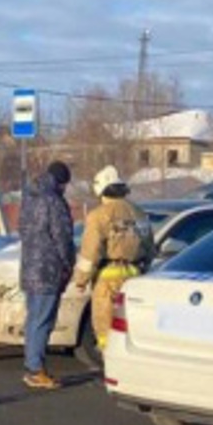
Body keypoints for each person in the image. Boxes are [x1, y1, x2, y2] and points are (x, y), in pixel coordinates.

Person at [71, 165, 152, 364]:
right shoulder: (139, 213)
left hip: (108, 280)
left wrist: (81, 280)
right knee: (130, 325)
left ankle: (111, 366)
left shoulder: (99, 216)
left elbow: (90, 253)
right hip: (135, 276)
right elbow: (150, 248)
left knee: (106, 327)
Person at [19, 160, 76, 390]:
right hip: (48, 270)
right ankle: (36, 369)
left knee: (33, 318)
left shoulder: (30, 197)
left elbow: (22, 229)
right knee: (43, 320)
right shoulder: (54, 201)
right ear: (61, 182)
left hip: (29, 267)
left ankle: (31, 364)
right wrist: (68, 262)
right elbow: (62, 237)